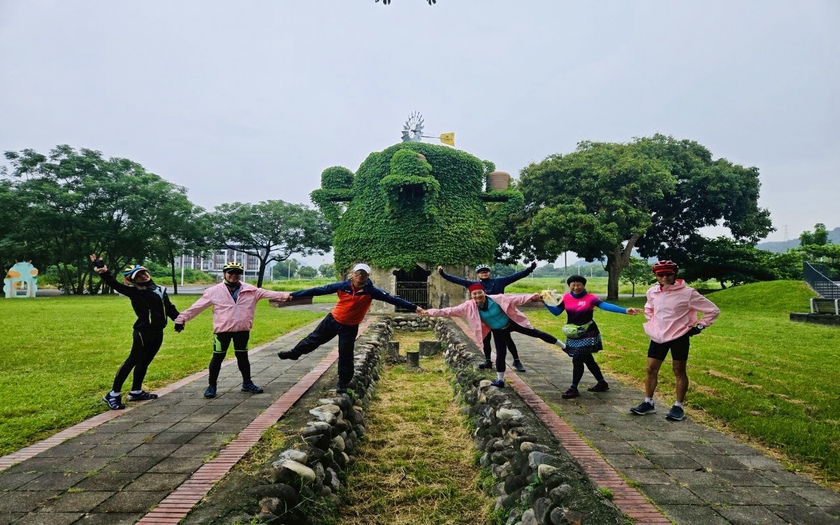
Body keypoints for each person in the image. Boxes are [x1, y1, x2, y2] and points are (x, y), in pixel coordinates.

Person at [278, 263, 424, 393]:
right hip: (333, 320)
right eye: (358, 273)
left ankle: (342, 383)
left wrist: (414, 307)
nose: (360, 276)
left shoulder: (371, 291)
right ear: (353, 274)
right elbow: (318, 290)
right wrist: (293, 295)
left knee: (346, 354)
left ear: (368, 276)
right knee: (313, 339)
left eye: (364, 274)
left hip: (350, 326)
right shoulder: (343, 286)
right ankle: (294, 353)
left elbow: (393, 299)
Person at [173, 262, 292, 399]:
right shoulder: (214, 291)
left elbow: (270, 293)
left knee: (242, 357)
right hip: (222, 331)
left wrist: (288, 295)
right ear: (225, 273)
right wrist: (181, 319)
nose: (234, 275)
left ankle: (247, 383)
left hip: (242, 330)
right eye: (231, 272)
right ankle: (212, 386)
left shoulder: (251, 290)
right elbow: (197, 307)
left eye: (237, 273)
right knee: (218, 357)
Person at [421, 283, 566, 388]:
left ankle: (564, 346)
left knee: (537, 333)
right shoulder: (468, 307)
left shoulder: (497, 299)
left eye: (480, 292)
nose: (478, 296)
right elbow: (449, 311)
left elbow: (517, 299)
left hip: (511, 322)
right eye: (474, 294)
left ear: (484, 292)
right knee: (501, 354)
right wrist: (430, 312)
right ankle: (500, 380)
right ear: (471, 296)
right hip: (498, 330)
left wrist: (534, 297)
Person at [630, 260, 720, 421]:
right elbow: (649, 308)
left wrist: (699, 326)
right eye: (661, 274)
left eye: (668, 274)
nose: (665, 277)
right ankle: (648, 402)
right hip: (658, 336)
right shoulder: (652, 292)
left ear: (675, 274)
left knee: (678, 370)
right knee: (651, 369)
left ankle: (678, 406)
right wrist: (653, 322)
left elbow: (712, 310)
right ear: (656, 276)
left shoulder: (688, 293)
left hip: (679, 336)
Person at [90, 254, 180, 410]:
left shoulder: (160, 289)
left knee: (145, 362)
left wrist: (178, 320)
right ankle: (113, 394)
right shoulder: (135, 292)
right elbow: (114, 284)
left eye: (144, 273)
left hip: (158, 332)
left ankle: (136, 391)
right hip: (142, 333)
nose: (143, 276)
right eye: (138, 276)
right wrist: (104, 271)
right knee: (132, 361)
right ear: (132, 280)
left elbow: (169, 307)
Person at [543, 275, 639, 399]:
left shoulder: (590, 298)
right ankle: (602, 383)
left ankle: (573, 388)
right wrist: (544, 302)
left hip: (589, 332)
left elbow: (605, 305)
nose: (576, 287)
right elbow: (556, 312)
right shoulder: (566, 297)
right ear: (569, 286)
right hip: (574, 333)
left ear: (584, 285)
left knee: (577, 358)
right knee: (587, 358)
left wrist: (625, 310)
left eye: (579, 285)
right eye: (573, 285)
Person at [437, 261, 537, 372]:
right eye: (481, 272)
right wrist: (443, 274)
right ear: (477, 274)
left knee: (508, 339)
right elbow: (457, 280)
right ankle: (488, 360)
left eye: (486, 271)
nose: (484, 273)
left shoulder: (499, 282)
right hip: (483, 317)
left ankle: (516, 360)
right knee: (486, 339)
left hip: (499, 316)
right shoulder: (473, 285)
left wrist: (530, 268)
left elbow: (516, 276)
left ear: (489, 272)